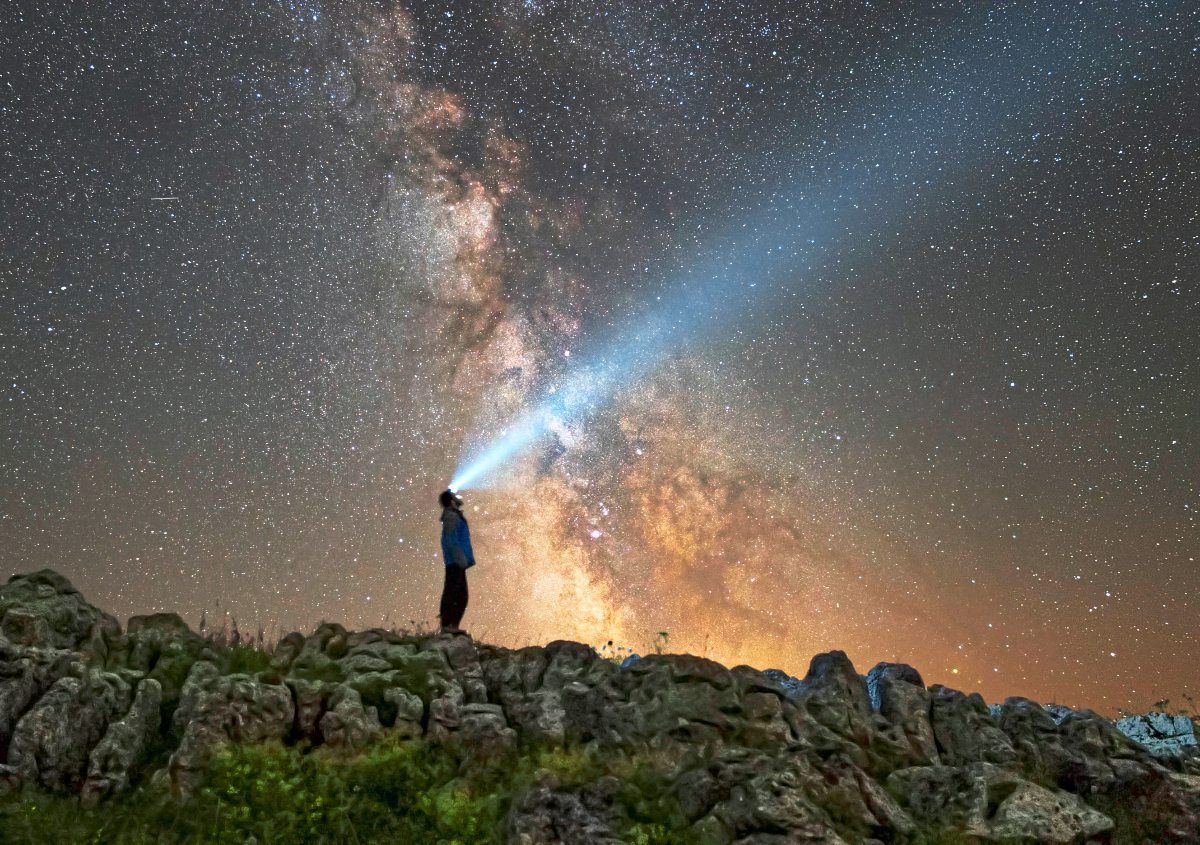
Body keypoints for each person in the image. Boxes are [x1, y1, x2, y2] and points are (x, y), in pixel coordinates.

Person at [438, 488, 475, 634]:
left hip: (457, 562)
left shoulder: (454, 516)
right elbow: (450, 539)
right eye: (454, 497)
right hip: (456, 562)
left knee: (459, 594)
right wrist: (461, 559)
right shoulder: (451, 516)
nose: (458, 498)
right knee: (455, 594)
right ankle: (448, 627)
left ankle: (452, 627)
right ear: (451, 501)